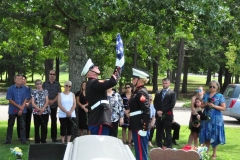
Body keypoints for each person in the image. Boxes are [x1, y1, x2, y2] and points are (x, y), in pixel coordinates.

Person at [81, 59, 121, 135]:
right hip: (100, 119)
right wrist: (118, 67)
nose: (97, 67)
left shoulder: (91, 83)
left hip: (98, 118)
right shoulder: (94, 83)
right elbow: (112, 82)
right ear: (90, 73)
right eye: (94, 67)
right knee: (100, 144)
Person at [199, 80, 226, 159]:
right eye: (210, 86)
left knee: (214, 136)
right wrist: (206, 104)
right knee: (206, 135)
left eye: (214, 87)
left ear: (217, 87)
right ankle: (206, 153)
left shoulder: (220, 96)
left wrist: (214, 106)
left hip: (216, 118)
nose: (212, 88)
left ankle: (214, 154)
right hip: (206, 118)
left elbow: (223, 108)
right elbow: (201, 105)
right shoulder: (206, 94)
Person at [128, 68, 150, 160]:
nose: (132, 80)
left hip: (140, 126)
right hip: (136, 124)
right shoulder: (137, 92)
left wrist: (144, 128)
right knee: (139, 152)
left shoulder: (141, 92)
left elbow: (146, 111)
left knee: (141, 153)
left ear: (139, 80)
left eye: (134, 78)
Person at [4, 74, 30, 144]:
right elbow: (10, 100)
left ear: (22, 80)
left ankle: (23, 140)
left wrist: (22, 108)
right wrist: (19, 107)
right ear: (14, 80)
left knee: (22, 125)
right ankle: (8, 140)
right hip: (13, 110)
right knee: (10, 125)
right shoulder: (10, 89)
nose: (19, 80)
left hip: (22, 110)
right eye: (17, 79)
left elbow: (26, 98)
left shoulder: (26, 89)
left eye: (20, 79)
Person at [154, 78, 176, 149]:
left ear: (169, 84)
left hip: (167, 115)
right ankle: (159, 146)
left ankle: (169, 146)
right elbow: (155, 103)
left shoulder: (172, 93)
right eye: (163, 83)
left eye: (166, 83)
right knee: (159, 131)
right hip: (158, 115)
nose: (164, 84)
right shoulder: (158, 92)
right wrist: (158, 111)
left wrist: (162, 111)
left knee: (168, 132)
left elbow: (172, 104)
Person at [43, 70, 61, 142]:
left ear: (55, 75)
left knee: (54, 121)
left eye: (53, 74)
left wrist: (53, 101)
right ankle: (44, 138)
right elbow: (43, 93)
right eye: (51, 74)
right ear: (48, 75)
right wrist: (48, 101)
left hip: (54, 105)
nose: (52, 75)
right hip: (46, 106)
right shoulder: (44, 84)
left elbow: (59, 93)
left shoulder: (57, 84)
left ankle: (54, 137)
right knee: (45, 121)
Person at [31, 79, 50, 144]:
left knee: (44, 126)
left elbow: (47, 101)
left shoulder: (45, 91)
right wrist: (39, 109)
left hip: (45, 111)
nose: (39, 85)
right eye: (37, 84)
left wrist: (43, 109)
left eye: (40, 84)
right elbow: (33, 103)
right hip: (36, 112)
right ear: (35, 85)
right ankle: (37, 140)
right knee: (36, 127)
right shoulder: (34, 92)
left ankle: (43, 140)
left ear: (42, 84)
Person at [17, 75, 32, 141]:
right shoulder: (18, 88)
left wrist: (28, 103)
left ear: (26, 80)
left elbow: (32, 97)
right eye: (21, 79)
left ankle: (27, 136)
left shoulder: (29, 88)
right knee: (19, 121)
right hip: (20, 107)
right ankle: (20, 136)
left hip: (27, 107)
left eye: (24, 79)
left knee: (27, 121)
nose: (22, 81)